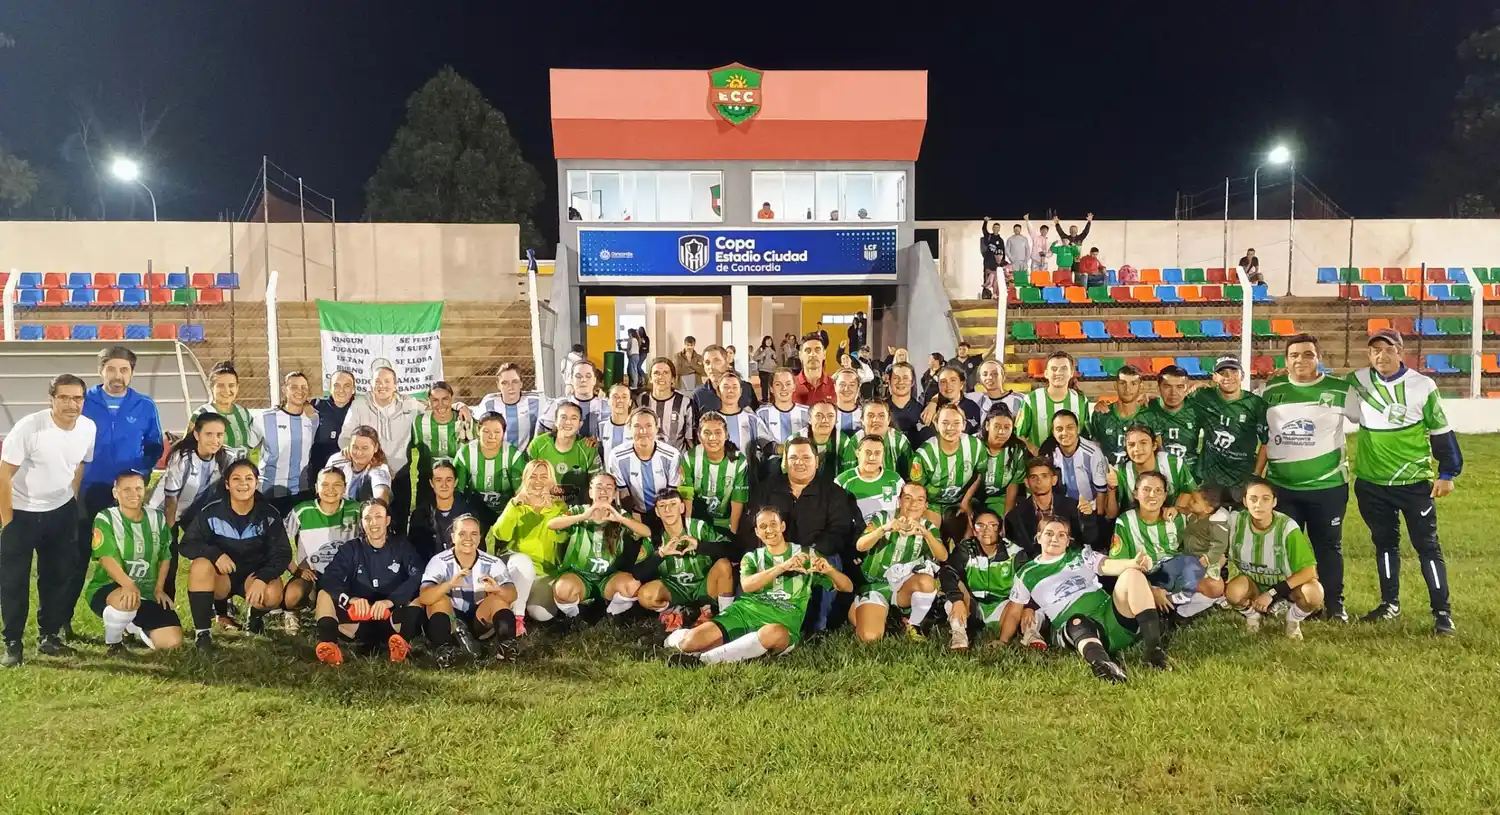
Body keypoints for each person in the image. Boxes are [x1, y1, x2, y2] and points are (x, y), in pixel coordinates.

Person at [1346, 328, 1461, 634]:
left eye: (1387, 349)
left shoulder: (1422, 384)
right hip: (1371, 483)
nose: (1380, 356)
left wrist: (1448, 472)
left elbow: (1440, 430)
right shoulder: (1357, 380)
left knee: (1427, 547)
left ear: (1400, 351)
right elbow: (1325, 393)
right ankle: (1389, 605)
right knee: (1384, 545)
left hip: (1414, 483)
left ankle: (1442, 612)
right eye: (1374, 351)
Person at [664, 506, 852, 665]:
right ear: (757, 532)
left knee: (773, 633)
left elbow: (847, 587)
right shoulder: (752, 557)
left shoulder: (806, 554)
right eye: (763, 527)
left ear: (783, 526)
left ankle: (704, 659)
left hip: (781, 621)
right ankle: (681, 640)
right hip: (744, 614)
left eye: (773, 524)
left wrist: (829, 570)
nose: (769, 530)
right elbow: (747, 586)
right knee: (689, 642)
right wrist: (782, 566)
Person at [0, 374, 96, 666]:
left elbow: (79, 464)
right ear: (51, 399)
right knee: (13, 581)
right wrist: (7, 521)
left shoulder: (88, 428)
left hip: (61, 512)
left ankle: (49, 637)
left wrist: (72, 502)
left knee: (56, 576)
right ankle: (13, 644)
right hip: (22, 514)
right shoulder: (30, 428)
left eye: (77, 398)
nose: (71, 404)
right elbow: (3, 474)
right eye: (64, 397)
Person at [1010, 515, 1169, 683]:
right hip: (1076, 630)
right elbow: (1014, 611)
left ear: (1068, 540)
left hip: (1110, 617)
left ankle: (1155, 653)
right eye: (1049, 533)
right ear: (1039, 537)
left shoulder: (1082, 556)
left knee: (1132, 575)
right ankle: (1103, 665)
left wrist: (1134, 563)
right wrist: (1003, 639)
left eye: (1061, 534)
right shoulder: (1025, 573)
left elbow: (1107, 565)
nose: (1055, 538)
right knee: (1077, 621)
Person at [1259, 335, 1349, 620]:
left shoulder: (1341, 390)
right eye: (1294, 355)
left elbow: (1370, 422)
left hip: (1328, 486)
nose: (1301, 360)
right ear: (1286, 361)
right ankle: (1294, 601)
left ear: (1318, 358)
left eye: (1308, 354)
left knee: (1328, 546)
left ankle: (1335, 605)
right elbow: (1261, 436)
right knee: (1286, 548)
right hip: (1283, 487)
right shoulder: (1271, 390)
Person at [742, 438, 857, 635]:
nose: (799, 462)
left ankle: (816, 627)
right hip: (773, 554)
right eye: (793, 457)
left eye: (806, 457)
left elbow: (839, 532)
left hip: (816, 554)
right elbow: (752, 526)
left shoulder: (834, 493)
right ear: (785, 461)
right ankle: (757, 620)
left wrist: (807, 553)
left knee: (829, 561)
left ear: (817, 462)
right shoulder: (766, 489)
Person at [78, 346, 165, 590]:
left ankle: (128, 614)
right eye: (111, 369)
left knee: (128, 554)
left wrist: (141, 475)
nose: (118, 376)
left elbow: (154, 446)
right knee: (78, 554)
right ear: (101, 371)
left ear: (132, 373)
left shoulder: (144, 405)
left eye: (124, 370)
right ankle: (61, 620)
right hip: (88, 489)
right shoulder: (84, 402)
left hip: (126, 493)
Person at [180, 459, 290, 649]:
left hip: (253, 577)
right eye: (236, 478)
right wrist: (214, 554)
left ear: (257, 483)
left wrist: (263, 578)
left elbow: (282, 553)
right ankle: (203, 633)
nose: (243, 483)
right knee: (200, 566)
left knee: (272, 594)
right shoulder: (211, 511)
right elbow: (188, 544)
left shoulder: (269, 514)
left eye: (249, 478)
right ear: (227, 484)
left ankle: (255, 616)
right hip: (223, 577)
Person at [312, 498, 425, 665]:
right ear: (362, 522)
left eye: (378, 516)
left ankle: (402, 644)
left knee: (420, 595)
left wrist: (391, 601)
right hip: (359, 620)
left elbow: (418, 575)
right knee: (323, 594)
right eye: (367, 518)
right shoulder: (351, 548)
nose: (373, 522)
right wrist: (351, 600)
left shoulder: (402, 546)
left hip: (392, 621)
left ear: (387, 520)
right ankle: (330, 646)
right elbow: (329, 578)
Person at [84, 470, 181, 655]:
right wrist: (128, 584)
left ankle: (133, 625)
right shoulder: (106, 518)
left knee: (171, 643)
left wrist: (159, 589)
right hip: (110, 588)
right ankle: (114, 643)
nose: (133, 494)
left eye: (138, 488)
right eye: (126, 489)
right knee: (127, 599)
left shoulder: (157, 518)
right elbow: (106, 558)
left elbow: (165, 557)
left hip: (148, 592)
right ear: (115, 493)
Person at [1107, 471, 1221, 618]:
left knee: (1216, 586)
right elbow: (1120, 564)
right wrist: (1152, 589)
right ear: (1136, 493)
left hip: (1176, 576)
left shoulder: (1176, 518)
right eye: (1146, 490)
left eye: (1158, 490)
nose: (1152, 495)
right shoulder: (1126, 521)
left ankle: (1177, 609)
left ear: (1165, 495)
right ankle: (1165, 607)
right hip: (1147, 579)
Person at [1223, 478, 1324, 640]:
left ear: (1274, 502)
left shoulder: (1287, 528)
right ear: (1244, 501)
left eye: (1265, 499)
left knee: (1314, 593)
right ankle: (1253, 615)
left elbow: (1309, 571)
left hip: (1287, 588)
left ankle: (1292, 620)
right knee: (1233, 592)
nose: (1258, 505)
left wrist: (1272, 594)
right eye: (1253, 499)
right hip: (1254, 586)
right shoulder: (1235, 522)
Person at [548, 472, 655, 623]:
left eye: (608, 487)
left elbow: (647, 532)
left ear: (615, 493)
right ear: (590, 492)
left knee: (632, 586)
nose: (603, 492)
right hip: (579, 575)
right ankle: (575, 617)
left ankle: (612, 613)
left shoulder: (619, 515)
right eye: (599, 487)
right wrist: (583, 517)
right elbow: (551, 524)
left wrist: (621, 519)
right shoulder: (579, 511)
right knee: (562, 589)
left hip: (608, 577)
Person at [851, 482, 947, 643]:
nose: (913, 504)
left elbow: (943, 556)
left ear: (925, 506)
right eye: (908, 498)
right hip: (874, 585)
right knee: (870, 637)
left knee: (927, 582)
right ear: (899, 500)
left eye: (919, 500)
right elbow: (860, 545)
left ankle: (912, 622)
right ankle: (864, 611)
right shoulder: (883, 517)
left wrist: (926, 535)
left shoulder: (927, 527)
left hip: (903, 587)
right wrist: (885, 529)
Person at [417, 514, 519, 665]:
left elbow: (512, 595)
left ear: (480, 538)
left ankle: (507, 646)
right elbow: (424, 597)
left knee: (499, 599)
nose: (468, 538)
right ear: (453, 537)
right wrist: (448, 585)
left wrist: (498, 589)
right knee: (438, 599)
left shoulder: (493, 562)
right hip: (451, 620)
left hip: (480, 620)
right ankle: (444, 650)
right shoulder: (439, 561)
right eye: (462, 533)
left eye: (474, 534)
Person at [152, 411, 233, 599]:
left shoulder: (226, 457)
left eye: (219, 435)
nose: (215, 440)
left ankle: (218, 605)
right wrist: (168, 534)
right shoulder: (182, 457)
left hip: (193, 511)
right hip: (164, 512)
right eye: (209, 434)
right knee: (168, 559)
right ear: (197, 435)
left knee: (215, 548)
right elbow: (171, 500)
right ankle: (164, 606)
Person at [338, 366, 425, 535]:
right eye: (377, 381)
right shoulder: (359, 405)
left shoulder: (410, 405)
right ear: (371, 384)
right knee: (369, 524)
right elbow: (345, 437)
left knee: (398, 525)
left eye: (387, 381)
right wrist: (362, 456)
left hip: (400, 474)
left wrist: (459, 405)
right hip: (369, 474)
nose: (382, 385)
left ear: (395, 385)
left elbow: (434, 411)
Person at [636, 489, 733, 629]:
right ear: (657, 512)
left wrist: (699, 545)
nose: (668, 509)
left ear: (682, 507)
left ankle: (725, 618)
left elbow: (733, 550)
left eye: (673, 504)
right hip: (675, 588)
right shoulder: (655, 536)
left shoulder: (698, 527)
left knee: (724, 565)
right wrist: (661, 554)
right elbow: (637, 574)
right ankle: (674, 610)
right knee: (645, 595)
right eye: (662, 506)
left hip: (703, 586)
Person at [486, 460, 568, 625]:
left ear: (551, 481)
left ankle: (520, 601)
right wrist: (513, 505)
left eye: (544, 477)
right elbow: (500, 534)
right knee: (524, 561)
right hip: (516, 565)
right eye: (533, 477)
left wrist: (550, 511)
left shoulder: (559, 507)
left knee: (542, 614)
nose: (538, 482)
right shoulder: (517, 504)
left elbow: (561, 538)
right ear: (525, 479)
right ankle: (517, 617)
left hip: (543, 571)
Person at [282, 467, 361, 616]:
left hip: (346, 574)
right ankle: (297, 611)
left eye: (337, 485)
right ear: (317, 488)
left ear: (345, 487)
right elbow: (279, 543)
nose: (330, 489)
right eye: (325, 484)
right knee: (292, 596)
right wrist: (296, 569)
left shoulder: (356, 510)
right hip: (312, 573)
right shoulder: (302, 511)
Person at [1189, 357, 1268, 501]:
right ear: (1214, 377)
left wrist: (1256, 476)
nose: (1229, 377)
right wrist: (1150, 397)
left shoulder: (1256, 404)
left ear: (1242, 376)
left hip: (1241, 478)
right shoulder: (1203, 396)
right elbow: (1176, 402)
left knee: (1239, 521)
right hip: (1209, 476)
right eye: (1222, 372)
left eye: (1234, 372)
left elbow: (1265, 443)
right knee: (1208, 521)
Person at [946, 510, 1027, 650]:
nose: (986, 530)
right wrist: (957, 599)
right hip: (973, 607)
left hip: (1002, 607)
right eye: (980, 525)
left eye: (992, 525)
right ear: (974, 530)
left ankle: (1031, 636)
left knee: (1024, 604)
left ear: (1000, 530)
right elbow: (948, 572)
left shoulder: (1015, 552)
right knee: (951, 600)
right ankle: (959, 636)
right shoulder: (965, 549)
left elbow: (1028, 583)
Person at [251, 371, 320, 511]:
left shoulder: (313, 420)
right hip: (270, 491)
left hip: (302, 491)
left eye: (304, 388)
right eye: (294, 387)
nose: (300, 391)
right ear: (284, 390)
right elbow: (248, 449)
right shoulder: (265, 418)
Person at [1005, 458, 1097, 558]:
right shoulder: (1015, 517)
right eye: (1033, 477)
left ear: (1054, 480)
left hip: (1069, 564)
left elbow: (1090, 539)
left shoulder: (1072, 507)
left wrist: (1088, 517)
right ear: (1027, 483)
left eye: (1044, 476)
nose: (1039, 481)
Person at [605, 408, 684, 523]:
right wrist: (633, 521)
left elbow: (672, 495)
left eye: (648, 426)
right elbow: (623, 495)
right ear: (629, 429)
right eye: (637, 426)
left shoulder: (672, 455)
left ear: (656, 428)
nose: (643, 431)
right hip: (634, 514)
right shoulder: (617, 456)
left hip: (665, 512)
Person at [1104, 424, 1198, 518]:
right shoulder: (1121, 472)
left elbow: (1189, 490)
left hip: (1171, 521)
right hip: (1135, 527)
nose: (1137, 449)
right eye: (1131, 445)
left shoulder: (1173, 463)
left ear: (1154, 445)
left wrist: (1175, 508)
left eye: (1143, 443)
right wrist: (1111, 488)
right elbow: (1111, 514)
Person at [452, 412, 526, 531]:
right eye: (486, 431)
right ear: (478, 431)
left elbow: (520, 493)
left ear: (503, 433)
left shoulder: (513, 456)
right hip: (475, 508)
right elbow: (457, 491)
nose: (492, 436)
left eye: (497, 432)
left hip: (506, 508)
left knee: (506, 543)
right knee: (475, 541)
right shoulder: (465, 454)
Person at [680, 412, 750, 538]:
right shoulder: (689, 458)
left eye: (718, 433)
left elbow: (737, 502)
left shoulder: (739, 461)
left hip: (726, 522)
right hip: (698, 522)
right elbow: (687, 499)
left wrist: (731, 536)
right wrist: (689, 531)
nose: (712, 438)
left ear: (726, 435)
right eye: (706, 433)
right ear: (699, 436)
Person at [910, 402, 985, 518]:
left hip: (960, 501)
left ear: (964, 425)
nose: (950, 428)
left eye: (956, 423)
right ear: (936, 424)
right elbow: (916, 488)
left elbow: (980, 474)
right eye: (945, 423)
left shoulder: (975, 446)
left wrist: (966, 500)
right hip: (932, 504)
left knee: (967, 532)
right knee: (932, 532)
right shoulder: (923, 454)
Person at [409, 380, 472, 511]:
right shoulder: (419, 422)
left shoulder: (464, 420)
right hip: (428, 483)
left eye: (445, 399)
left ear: (452, 399)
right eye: (435, 400)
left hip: (459, 483)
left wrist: (461, 406)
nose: (440, 404)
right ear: (429, 401)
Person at [407, 460, 486, 560]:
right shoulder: (420, 515)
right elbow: (413, 553)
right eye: (439, 480)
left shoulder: (470, 515)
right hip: (430, 570)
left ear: (455, 482)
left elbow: (480, 551)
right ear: (431, 483)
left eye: (448, 480)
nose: (444, 485)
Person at [526, 400, 601, 504]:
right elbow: (526, 482)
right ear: (556, 422)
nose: (568, 422)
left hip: (578, 511)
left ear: (580, 424)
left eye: (573, 418)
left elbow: (597, 484)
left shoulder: (588, 448)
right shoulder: (538, 445)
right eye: (563, 417)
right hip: (544, 508)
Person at [1015, 352, 1091, 451]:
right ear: (1046, 373)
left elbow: (1086, 436)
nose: (1058, 372)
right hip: (1040, 463)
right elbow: (1019, 435)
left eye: (1064, 368)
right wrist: (1035, 452)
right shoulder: (1031, 399)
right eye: (1054, 369)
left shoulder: (1081, 400)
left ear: (1071, 372)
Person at [1141, 364, 1204, 477]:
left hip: (1191, 475)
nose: (1173, 393)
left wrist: (1206, 386)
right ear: (1158, 387)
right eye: (1167, 387)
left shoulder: (1196, 408)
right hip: (1158, 477)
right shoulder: (1147, 408)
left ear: (1187, 388)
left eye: (1180, 387)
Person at [963, 407, 1027, 517]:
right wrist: (966, 504)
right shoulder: (971, 444)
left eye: (1007, 427)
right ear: (987, 425)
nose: (1002, 432)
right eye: (996, 426)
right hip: (967, 496)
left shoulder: (1016, 450)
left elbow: (1012, 487)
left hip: (998, 498)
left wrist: (1007, 519)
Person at [1039, 410, 1110, 507]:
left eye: (1070, 427)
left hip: (1089, 508)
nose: (1064, 433)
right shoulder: (1048, 452)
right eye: (1059, 429)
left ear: (1078, 429)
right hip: (1060, 509)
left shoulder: (1093, 453)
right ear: (1053, 432)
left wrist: (1098, 516)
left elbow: (1101, 491)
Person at [194, 361, 260, 460]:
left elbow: (253, 448)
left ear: (237, 387)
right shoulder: (201, 414)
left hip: (239, 473)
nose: (227, 390)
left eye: (231, 385)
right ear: (211, 387)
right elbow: (188, 449)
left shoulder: (244, 414)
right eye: (220, 386)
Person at [475, 363, 547, 451]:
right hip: (498, 456)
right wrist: (460, 406)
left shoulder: (537, 400)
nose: (510, 387)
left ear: (521, 383)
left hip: (526, 458)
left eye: (515, 382)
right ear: (498, 385)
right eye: (505, 383)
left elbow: (559, 405)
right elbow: (472, 415)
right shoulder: (489, 403)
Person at [835, 433, 905, 522]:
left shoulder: (895, 479)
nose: (872, 458)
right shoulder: (842, 481)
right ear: (857, 453)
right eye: (867, 452)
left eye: (877, 453)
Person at [837, 400, 912, 482]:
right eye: (871, 415)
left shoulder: (900, 441)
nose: (876, 419)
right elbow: (847, 477)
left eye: (881, 416)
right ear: (862, 420)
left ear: (889, 419)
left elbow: (910, 477)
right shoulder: (855, 442)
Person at [1089, 365, 1148, 465]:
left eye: (1133, 384)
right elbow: (1094, 447)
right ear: (1115, 385)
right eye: (1122, 383)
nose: (1127, 389)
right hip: (1107, 477)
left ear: (1141, 386)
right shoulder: (1101, 414)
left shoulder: (1149, 416)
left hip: (1138, 477)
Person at [637, 358, 697, 451]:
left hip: (677, 462)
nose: (661, 376)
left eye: (666, 372)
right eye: (657, 373)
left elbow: (689, 439)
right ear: (650, 379)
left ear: (673, 379)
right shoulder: (641, 400)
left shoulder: (685, 403)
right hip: (647, 461)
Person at [309, 370, 357, 483]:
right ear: (330, 388)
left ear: (353, 389)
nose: (341, 390)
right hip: (319, 472)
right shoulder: (317, 406)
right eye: (336, 385)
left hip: (350, 472)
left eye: (347, 386)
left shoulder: (359, 409)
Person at [326, 426, 394, 505]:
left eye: (365, 448)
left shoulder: (379, 469)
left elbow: (381, 494)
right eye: (355, 447)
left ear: (375, 448)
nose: (359, 452)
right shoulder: (336, 461)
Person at [541, 361, 609, 440]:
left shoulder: (608, 406)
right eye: (578, 376)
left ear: (594, 380)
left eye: (588, 376)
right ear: (572, 380)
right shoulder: (558, 405)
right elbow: (541, 435)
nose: (583, 380)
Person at [714, 374, 772, 457]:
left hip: (748, 469)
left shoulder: (752, 419)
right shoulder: (710, 420)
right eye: (726, 387)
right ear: (718, 392)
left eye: (735, 387)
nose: (730, 390)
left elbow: (767, 444)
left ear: (740, 392)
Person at [757, 368, 811, 457]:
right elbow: (765, 445)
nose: (784, 388)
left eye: (788, 384)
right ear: (771, 388)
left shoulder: (807, 412)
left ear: (794, 387)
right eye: (778, 384)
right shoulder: (762, 413)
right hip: (772, 466)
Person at [919, 365, 982, 440]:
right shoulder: (931, 408)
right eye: (943, 382)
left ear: (961, 384)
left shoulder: (972, 407)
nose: (948, 385)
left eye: (953, 380)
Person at [802, 401, 845, 481]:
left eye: (830, 416)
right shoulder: (795, 440)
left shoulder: (844, 441)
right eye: (818, 415)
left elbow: (848, 474)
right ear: (809, 419)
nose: (825, 420)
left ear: (836, 420)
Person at [792, 333, 836, 406]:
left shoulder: (835, 386)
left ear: (824, 354)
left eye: (817, 350)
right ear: (800, 355)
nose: (813, 354)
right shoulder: (790, 387)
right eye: (808, 350)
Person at [887, 361, 925, 445]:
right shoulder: (881, 410)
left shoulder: (922, 412)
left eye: (905, 378)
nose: (900, 382)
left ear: (912, 382)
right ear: (889, 382)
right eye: (896, 378)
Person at [598, 382, 636, 455]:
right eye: (615, 396)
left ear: (630, 402)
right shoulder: (601, 426)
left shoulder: (637, 427)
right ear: (608, 401)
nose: (619, 400)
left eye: (624, 397)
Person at [753, 337, 780, 401]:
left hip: (772, 370)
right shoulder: (761, 349)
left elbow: (778, 361)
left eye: (770, 340)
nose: (769, 342)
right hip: (763, 370)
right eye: (767, 340)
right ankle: (764, 400)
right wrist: (762, 355)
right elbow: (754, 358)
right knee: (764, 386)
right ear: (764, 341)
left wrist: (775, 358)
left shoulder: (773, 350)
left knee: (772, 386)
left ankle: (772, 400)